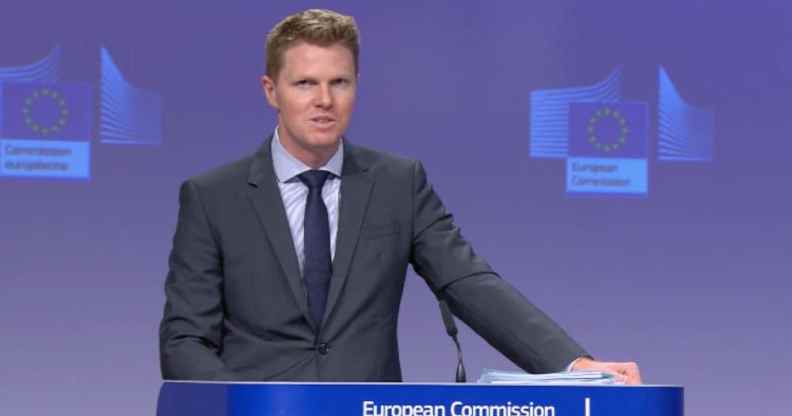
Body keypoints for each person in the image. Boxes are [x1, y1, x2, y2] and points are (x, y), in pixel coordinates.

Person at [159, 8, 641, 384]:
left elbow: (471, 285)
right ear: (271, 90)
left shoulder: (398, 184)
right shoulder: (212, 198)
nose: (324, 100)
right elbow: (184, 341)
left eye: (339, 82)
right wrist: (248, 408)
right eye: (305, 83)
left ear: (356, 87)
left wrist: (574, 364)